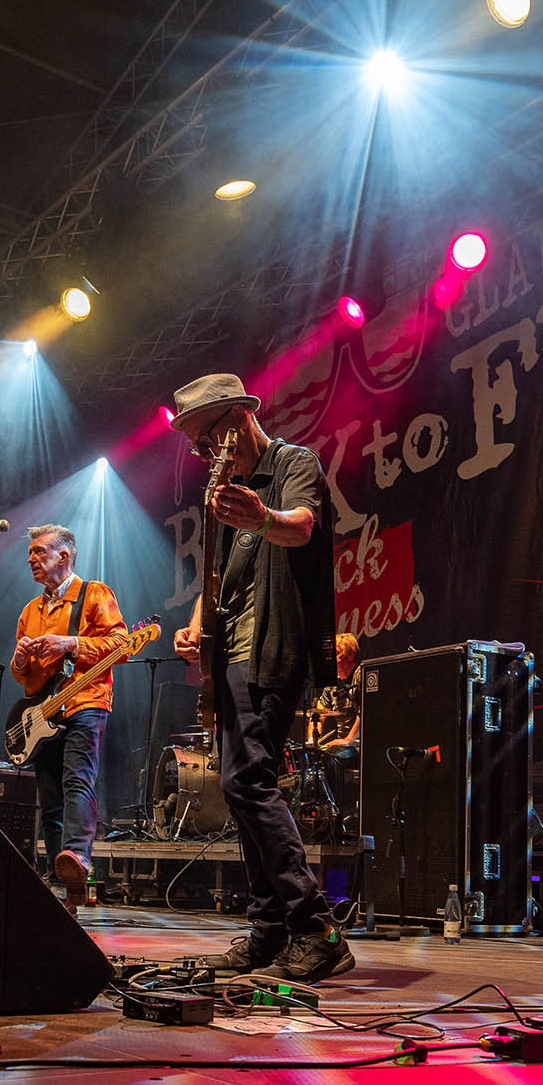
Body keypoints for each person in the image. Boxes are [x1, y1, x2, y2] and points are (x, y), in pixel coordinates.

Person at [171, 372, 354, 981]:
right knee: (238, 783)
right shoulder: (226, 493)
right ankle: (270, 929)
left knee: (247, 779)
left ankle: (316, 927)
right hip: (230, 655)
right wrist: (194, 627)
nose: (205, 453)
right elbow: (217, 579)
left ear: (239, 419)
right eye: (197, 447)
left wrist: (261, 516)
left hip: (275, 648)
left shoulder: (293, 462)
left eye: (208, 438)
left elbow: (300, 526)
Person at [11, 524, 126, 905]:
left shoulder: (94, 593)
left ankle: (77, 857)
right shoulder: (30, 611)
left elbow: (122, 645)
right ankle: (56, 872)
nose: (31, 558)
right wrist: (19, 660)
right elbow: (21, 676)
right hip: (43, 713)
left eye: (39, 551)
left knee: (78, 779)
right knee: (50, 796)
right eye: (30, 552)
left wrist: (72, 643)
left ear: (64, 556)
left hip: (85, 701)